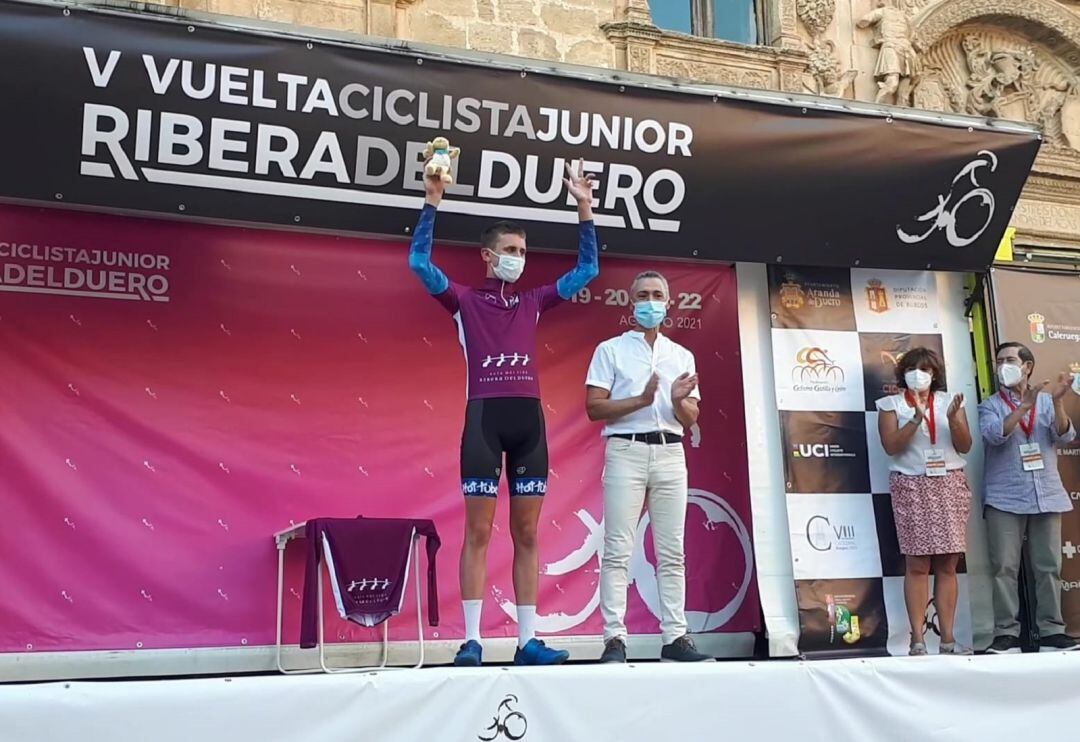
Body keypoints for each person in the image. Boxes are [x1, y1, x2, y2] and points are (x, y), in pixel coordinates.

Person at [408, 155, 599, 666]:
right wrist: (432, 201)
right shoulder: (465, 300)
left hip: (528, 425)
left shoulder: (534, 300)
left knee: (529, 532)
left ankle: (526, 642)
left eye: (523, 250)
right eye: (511, 250)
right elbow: (419, 266)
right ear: (488, 257)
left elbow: (588, 269)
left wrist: (583, 208)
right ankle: (470, 640)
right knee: (475, 532)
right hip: (485, 422)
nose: (520, 257)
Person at [584, 271, 712, 663]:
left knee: (672, 551)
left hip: (671, 453)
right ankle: (614, 640)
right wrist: (640, 400)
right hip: (627, 450)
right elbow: (594, 407)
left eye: (657, 295)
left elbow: (691, 417)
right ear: (630, 302)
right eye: (643, 295)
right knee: (618, 548)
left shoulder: (681, 355)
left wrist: (675, 400)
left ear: (669, 302)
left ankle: (675, 637)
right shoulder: (611, 350)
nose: (650, 302)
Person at [978, 342, 1079, 654]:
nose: (1002, 366)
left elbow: (1064, 435)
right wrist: (1022, 406)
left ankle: (1051, 631)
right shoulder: (990, 404)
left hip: (1046, 494)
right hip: (1005, 497)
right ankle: (1006, 634)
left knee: (1048, 566)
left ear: (1027, 366)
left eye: (1009, 360)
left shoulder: (1047, 401)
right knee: (1004, 567)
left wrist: (1059, 403)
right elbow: (994, 434)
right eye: (999, 361)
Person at [875, 347, 973, 656]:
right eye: (913, 368)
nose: (919, 374)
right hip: (911, 484)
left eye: (926, 369)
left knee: (948, 563)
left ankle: (947, 639)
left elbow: (965, 445)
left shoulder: (949, 401)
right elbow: (891, 446)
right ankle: (917, 640)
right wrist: (917, 418)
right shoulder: (890, 405)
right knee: (917, 564)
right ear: (902, 373)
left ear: (935, 375)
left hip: (949, 484)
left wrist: (954, 420)